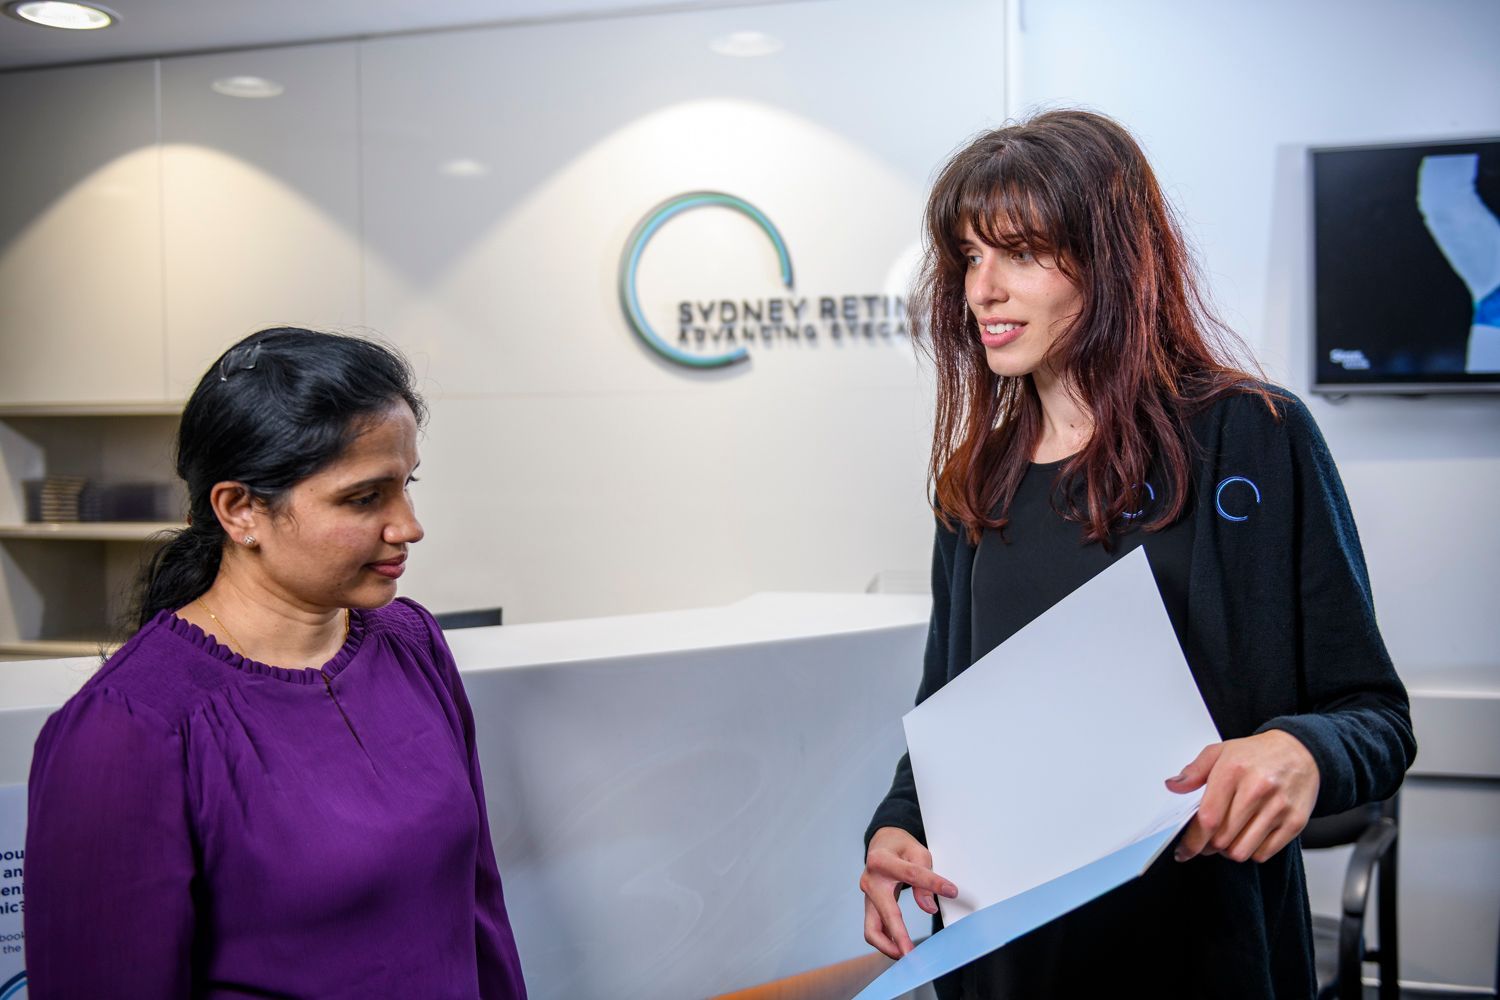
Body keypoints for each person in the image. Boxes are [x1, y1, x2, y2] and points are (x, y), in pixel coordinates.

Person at [859, 111, 1416, 998]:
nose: (983, 290)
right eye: (969, 256)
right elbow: (947, 713)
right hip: (1006, 958)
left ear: (1112, 261)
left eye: (1022, 253)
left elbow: (1374, 716)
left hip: (1198, 956)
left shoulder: (1252, 438)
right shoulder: (978, 480)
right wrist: (896, 828)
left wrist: (1300, 751)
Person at [24, 328, 528, 999]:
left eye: (406, 486)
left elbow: (478, 909)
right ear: (241, 510)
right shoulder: (128, 730)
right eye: (364, 497)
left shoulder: (412, 643)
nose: (407, 526)